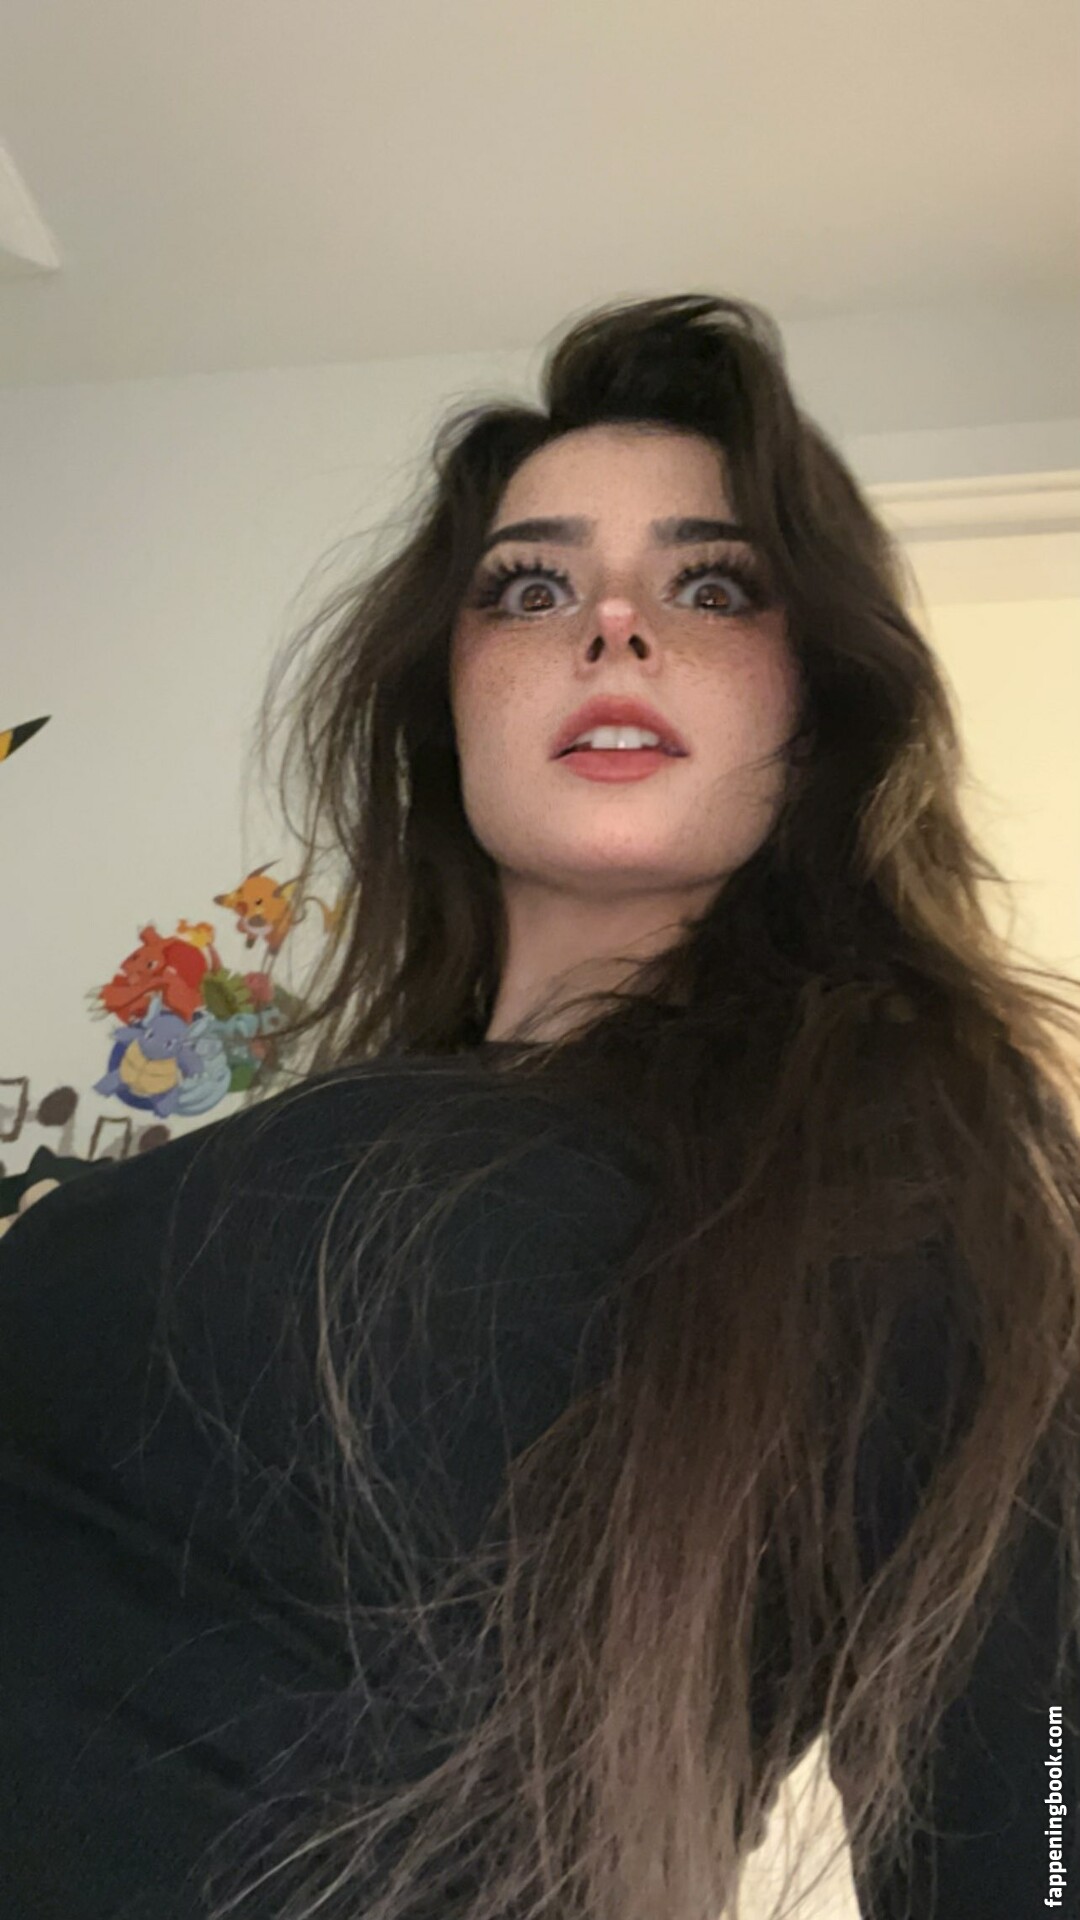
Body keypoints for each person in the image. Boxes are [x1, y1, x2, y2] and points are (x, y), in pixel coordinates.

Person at [2, 291, 1079, 1920]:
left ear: (816, 711)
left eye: (711, 586)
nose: (615, 627)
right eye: (531, 586)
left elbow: (1030, 1825)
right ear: (450, 703)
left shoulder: (914, 1160)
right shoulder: (333, 1134)